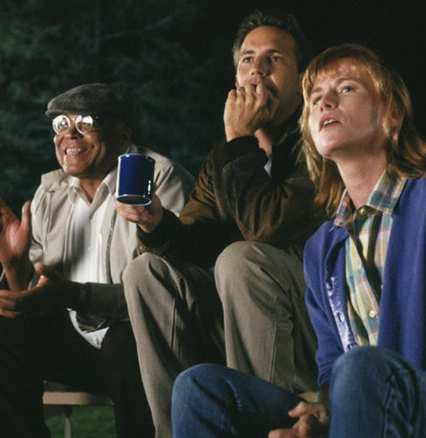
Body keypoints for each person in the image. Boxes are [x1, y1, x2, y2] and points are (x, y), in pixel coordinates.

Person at [171, 44, 426, 437]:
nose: (325, 102)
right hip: (360, 418)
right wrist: (320, 417)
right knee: (201, 386)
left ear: (391, 112)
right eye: (315, 99)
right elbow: (330, 366)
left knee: (362, 367)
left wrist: (374, 396)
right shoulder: (323, 246)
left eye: (345, 89)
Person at [115, 11, 322, 438]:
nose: (257, 71)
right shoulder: (223, 158)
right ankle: (177, 430)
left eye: (274, 59)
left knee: (242, 258)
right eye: (247, 60)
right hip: (238, 322)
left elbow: (266, 230)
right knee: (145, 271)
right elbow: (197, 238)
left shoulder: (318, 142)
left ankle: (262, 426)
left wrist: (241, 143)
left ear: (301, 76)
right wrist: (156, 223)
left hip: (310, 323)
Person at [0, 83, 194, 438]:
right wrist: (15, 266)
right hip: (81, 339)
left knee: (124, 344)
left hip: (146, 342)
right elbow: (39, 298)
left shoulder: (158, 178)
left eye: (85, 123)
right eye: (61, 125)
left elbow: (168, 293)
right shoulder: (50, 192)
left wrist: (77, 296)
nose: (69, 135)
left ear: (124, 137)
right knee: (0, 342)